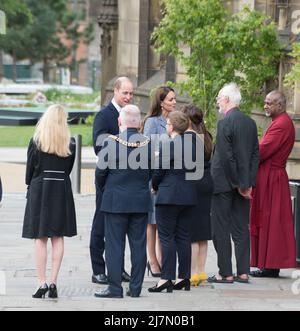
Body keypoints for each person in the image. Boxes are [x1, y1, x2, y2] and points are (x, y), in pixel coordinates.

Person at [94, 105, 153, 298]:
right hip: (139, 201)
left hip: (115, 201)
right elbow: (152, 172)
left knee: (114, 245)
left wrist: (107, 191)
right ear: (138, 123)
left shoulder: (111, 143)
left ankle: (115, 288)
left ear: (120, 122)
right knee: (138, 245)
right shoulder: (148, 143)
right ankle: (135, 288)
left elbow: (100, 175)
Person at [22, 104, 77, 299]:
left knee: (40, 237)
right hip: (61, 188)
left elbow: (29, 171)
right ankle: (53, 282)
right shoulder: (70, 143)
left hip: (41, 188)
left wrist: (30, 183)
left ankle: (41, 281)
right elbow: (68, 168)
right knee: (58, 236)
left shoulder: (36, 141)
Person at [209, 83, 259, 284]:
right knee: (240, 227)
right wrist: (247, 182)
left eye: (220, 98)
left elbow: (227, 157)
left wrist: (238, 183)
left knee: (220, 229)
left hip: (223, 183)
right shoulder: (250, 123)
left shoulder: (224, 123)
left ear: (228, 99)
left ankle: (226, 273)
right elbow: (256, 155)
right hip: (242, 183)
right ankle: (243, 272)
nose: (218, 102)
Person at [148, 111, 198, 293]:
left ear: (171, 126)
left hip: (169, 196)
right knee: (184, 236)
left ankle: (166, 278)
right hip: (188, 196)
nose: (167, 126)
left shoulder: (169, 145)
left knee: (167, 237)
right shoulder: (194, 146)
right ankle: (184, 277)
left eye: (168, 123)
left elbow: (159, 171)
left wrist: (154, 186)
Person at [91, 77, 133, 285]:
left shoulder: (131, 114)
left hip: (126, 178)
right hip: (107, 177)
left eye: (131, 93)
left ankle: (117, 269)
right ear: (115, 91)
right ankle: (98, 270)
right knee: (101, 224)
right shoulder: (104, 115)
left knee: (120, 228)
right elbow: (98, 145)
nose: (128, 96)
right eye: (124, 92)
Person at [250, 91, 296, 278]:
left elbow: (262, 151)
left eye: (269, 103)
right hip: (271, 176)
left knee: (271, 220)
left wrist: (245, 156)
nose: (265, 106)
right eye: (265, 102)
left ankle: (270, 265)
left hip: (272, 179)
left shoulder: (281, 124)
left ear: (280, 105)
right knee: (269, 220)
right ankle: (268, 264)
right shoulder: (280, 122)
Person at [142, 86, 176, 277]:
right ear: (161, 101)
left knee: (162, 221)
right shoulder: (152, 122)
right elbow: (147, 150)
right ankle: (152, 260)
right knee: (152, 223)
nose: (174, 102)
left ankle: (162, 259)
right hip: (154, 176)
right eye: (170, 99)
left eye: (174, 99)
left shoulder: (175, 121)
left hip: (170, 177)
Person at [182, 104, 214, 286]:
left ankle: (192, 272)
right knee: (203, 231)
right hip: (207, 182)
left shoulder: (188, 138)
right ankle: (201, 271)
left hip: (193, 183)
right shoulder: (207, 136)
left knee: (192, 232)